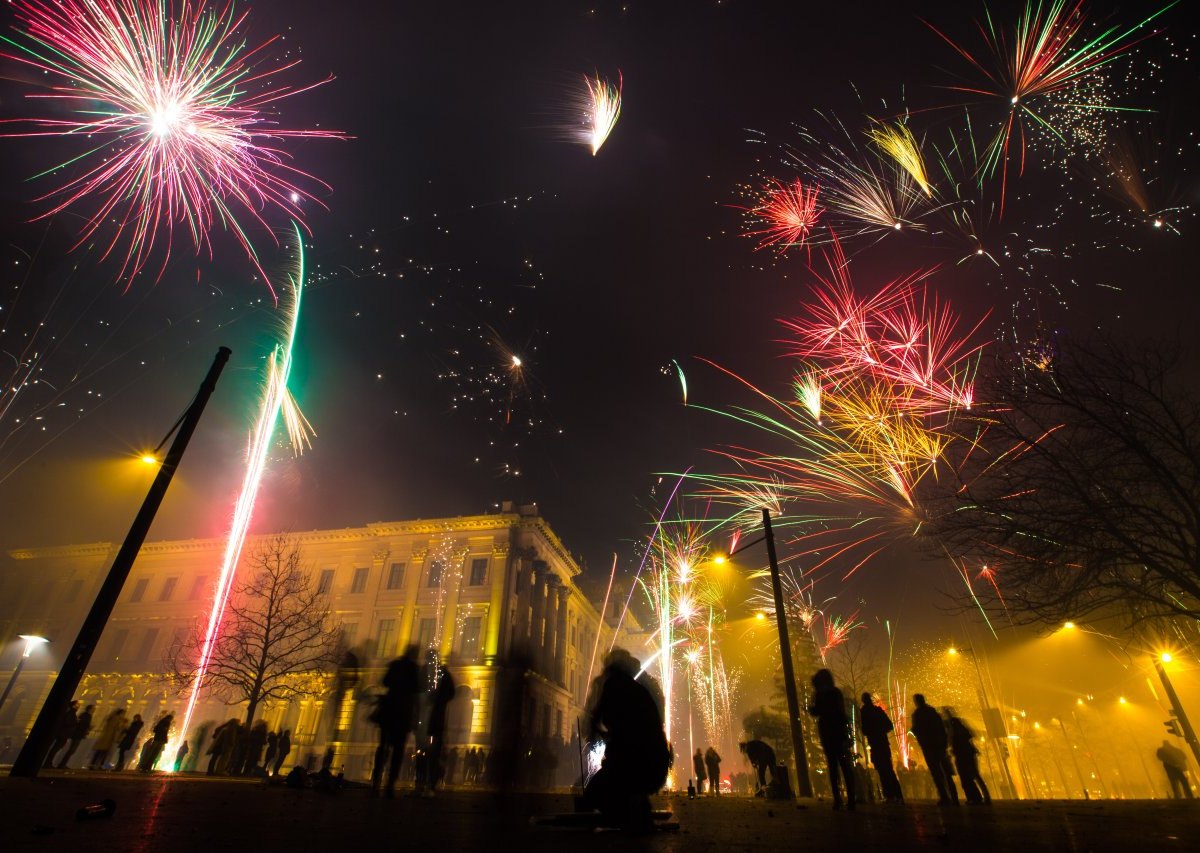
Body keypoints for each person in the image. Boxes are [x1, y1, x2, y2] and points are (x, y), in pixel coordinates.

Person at [580, 649, 671, 829]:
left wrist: (595, 732)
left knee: (594, 794)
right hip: (658, 766)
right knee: (620, 782)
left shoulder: (613, 686)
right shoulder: (639, 690)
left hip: (638, 766)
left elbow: (599, 721)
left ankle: (628, 813)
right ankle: (635, 806)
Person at [370, 645, 420, 797]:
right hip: (403, 712)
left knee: (383, 746)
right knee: (398, 750)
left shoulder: (395, 664)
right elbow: (417, 689)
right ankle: (390, 783)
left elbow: (385, 682)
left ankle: (376, 779)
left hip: (389, 709)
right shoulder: (413, 668)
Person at [808, 669, 856, 810]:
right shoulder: (836, 693)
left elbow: (817, 712)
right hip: (838, 732)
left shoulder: (820, 695)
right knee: (844, 765)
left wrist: (812, 710)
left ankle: (838, 799)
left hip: (828, 733)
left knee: (833, 767)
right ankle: (851, 799)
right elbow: (842, 714)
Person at [910, 694, 958, 805]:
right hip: (940, 745)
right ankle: (954, 797)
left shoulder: (917, 715)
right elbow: (941, 728)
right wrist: (944, 742)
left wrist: (920, 739)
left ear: (916, 702)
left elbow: (916, 729)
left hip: (929, 747)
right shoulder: (933, 712)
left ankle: (944, 797)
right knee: (947, 772)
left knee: (936, 773)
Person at [860, 693, 903, 803]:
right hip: (883, 742)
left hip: (875, 743)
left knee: (882, 770)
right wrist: (881, 730)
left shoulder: (864, 712)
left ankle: (889, 795)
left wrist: (871, 731)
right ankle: (898, 795)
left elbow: (864, 730)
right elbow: (889, 725)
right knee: (888, 768)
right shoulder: (878, 710)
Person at [945, 708, 990, 804]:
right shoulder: (961, 724)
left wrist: (950, 748)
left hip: (961, 754)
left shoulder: (952, 725)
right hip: (969, 752)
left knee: (965, 778)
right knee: (975, 775)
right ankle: (985, 797)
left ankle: (973, 798)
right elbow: (970, 737)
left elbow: (950, 739)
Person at [424, 663, 457, 796]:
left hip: (435, 724)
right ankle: (429, 783)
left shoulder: (440, 678)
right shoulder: (440, 679)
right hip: (435, 723)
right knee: (433, 753)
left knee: (433, 754)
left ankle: (429, 783)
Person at [57, 703, 95, 768]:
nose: (94, 710)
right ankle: (62, 764)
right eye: (93, 709)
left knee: (72, 750)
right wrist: (88, 727)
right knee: (72, 750)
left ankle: (62, 763)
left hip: (78, 734)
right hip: (78, 734)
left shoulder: (86, 715)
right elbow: (81, 724)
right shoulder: (86, 715)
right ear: (90, 709)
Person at [44, 700, 80, 768]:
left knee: (55, 749)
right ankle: (48, 763)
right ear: (73, 705)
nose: (79, 706)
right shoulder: (71, 712)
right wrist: (76, 722)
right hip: (63, 734)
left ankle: (48, 763)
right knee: (55, 749)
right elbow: (67, 722)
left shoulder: (71, 712)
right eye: (77, 704)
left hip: (64, 734)